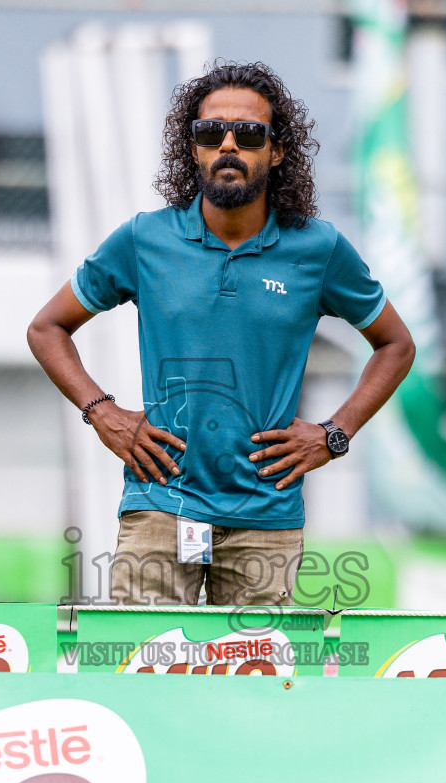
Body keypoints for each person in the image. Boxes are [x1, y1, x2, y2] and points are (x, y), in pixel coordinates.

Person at [27, 62, 415, 606]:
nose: (228, 145)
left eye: (249, 133)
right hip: (160, 507)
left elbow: (396, 344)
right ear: (193, 150)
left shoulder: (318, 250)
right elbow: (47, 328)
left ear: (277, 151)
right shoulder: (145, 239)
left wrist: (333, 434)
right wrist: (102, 413)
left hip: (266, 518)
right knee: (142, 673)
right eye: (211, 133)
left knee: (253, 687)